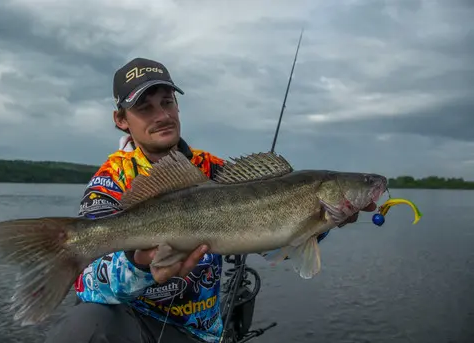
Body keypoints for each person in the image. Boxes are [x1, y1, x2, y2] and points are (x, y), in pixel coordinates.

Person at [44, 57, 376, 343]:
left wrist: (323, 224)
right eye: (144, 108)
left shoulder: (214, 170)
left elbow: (274, 245)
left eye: (167, 102)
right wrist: (141, 266)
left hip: (200, 334)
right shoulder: (112, 178)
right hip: (135, 328)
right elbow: (87, 286)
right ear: (121, 119)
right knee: (83, 325)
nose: (161, 115)